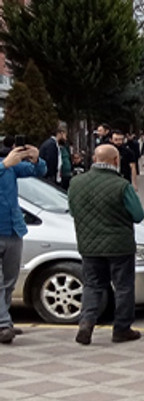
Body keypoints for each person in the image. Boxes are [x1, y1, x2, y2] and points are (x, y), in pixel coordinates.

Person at [67, 144, 144, 345]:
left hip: (89, 245)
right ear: (116, 161)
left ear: (94, 159)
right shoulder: (122, 185)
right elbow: (138, 215)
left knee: (92, 285)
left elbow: (74, 212)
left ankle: (86, 324)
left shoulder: (76, 183)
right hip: (120, 246)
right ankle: (121, 329)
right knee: (123, 287)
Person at [0, 140, 45, 344]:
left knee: (10, 280)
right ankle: (3, 324)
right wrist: (4, 166)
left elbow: (36, 171)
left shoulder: (8, 165)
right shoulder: (5, 165)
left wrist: (36, 158)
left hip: (13, 230)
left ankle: (4, 321)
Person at [39, 122, 69, 187]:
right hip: (50, 180)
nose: (66, 138)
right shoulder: (51, 145)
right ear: (61, 133)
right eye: (66, 135)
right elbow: (51, 164)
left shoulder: (53, 144)